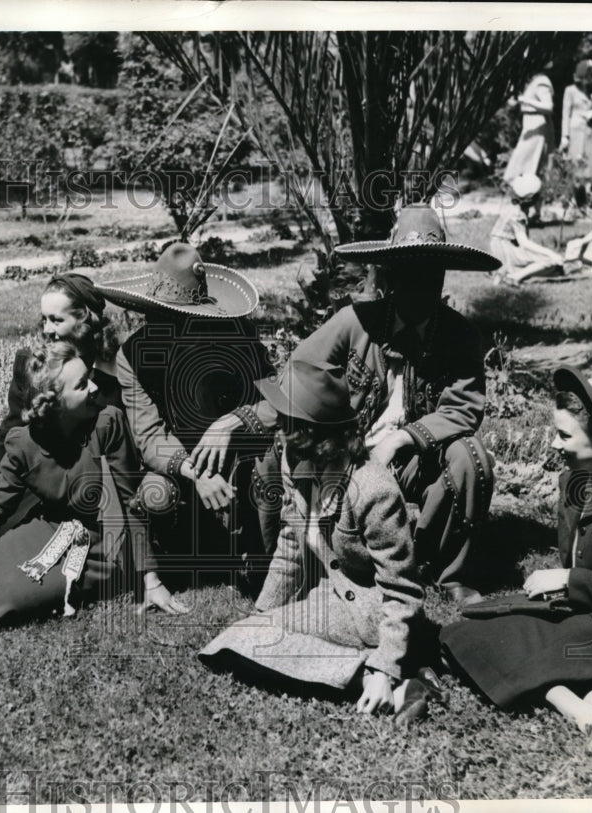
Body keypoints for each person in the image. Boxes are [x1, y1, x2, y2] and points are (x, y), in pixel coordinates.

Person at [193, 204, 499, 606]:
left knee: (471, 456)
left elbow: (463, 407)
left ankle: (441, 569)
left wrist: (406, 438)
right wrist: (238, 420)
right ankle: (283, 563)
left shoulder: (460, 335)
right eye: (409, 271)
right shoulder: (355, 321)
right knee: (274, 451)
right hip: (347, 451)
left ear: (442, 276)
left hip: (414, 459)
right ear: (390, 275)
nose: (419, 283)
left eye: (430, 272)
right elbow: (298, 376)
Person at [439, 366, 592, 752]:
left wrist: (570, 580)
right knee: (465, 632)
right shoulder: (572, 481)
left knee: (517, 649)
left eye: (565, 435)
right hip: (584, 611)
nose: (554, 445)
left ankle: (582, 712)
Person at [199, 359, 443, 725]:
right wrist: (263, 615)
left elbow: (403, 590)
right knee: (238, 640)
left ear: (314, 434)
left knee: (246, 643)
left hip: (374, 613)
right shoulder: (295, 462)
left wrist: (385, 665)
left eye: (286, 423)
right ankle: (400, 680)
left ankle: (386, 673)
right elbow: (291, 548)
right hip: (330, 602)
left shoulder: (373, 489)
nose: (278, 432)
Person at [96, 242, 275, 611]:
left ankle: (264, 560)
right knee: (153, 494)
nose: (167, 327)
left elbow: (277, 402)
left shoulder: (237, 337)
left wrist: (231, 423)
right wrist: (197, 472)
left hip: (239, 462)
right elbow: (148, 436)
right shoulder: (134, 355)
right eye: (157, 316)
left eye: (178, 318)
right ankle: (189, 553)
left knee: (272, 461)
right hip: (181, 471)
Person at [0, 341, 149, 624]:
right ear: (55, 403)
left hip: (106, 534)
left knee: (11, 597)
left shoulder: (108, 423)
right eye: (83, 385)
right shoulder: (24, 444)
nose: (95, 389)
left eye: (90, 379)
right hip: (52, 527)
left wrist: (149, 575)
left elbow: (127, 499)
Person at [0, 273, 122, 514]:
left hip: (94, 488)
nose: (48, 330)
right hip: (37, 484)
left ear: (84, 320)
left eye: (57, 320)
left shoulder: (109, 375)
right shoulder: (32, 367)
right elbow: (8, 439)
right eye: (44, 320)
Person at [490, 174, 565, 285]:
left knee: (552, 268)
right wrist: (550, 253)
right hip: (504, 248)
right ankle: (515, 276)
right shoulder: (518, 214)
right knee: (550, 261)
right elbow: (524, 243)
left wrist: (538, 211)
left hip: (499, 246)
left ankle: (504, 271)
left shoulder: (514, 207)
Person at [503, 64, 556, 186]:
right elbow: (514, 103)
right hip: (529, 125)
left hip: (538, 127)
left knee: (529, 169)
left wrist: (523, 100)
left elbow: (548, 106)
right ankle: (526, 201)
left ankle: (531, 200)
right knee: (523, 168)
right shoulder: (531, 82)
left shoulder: (541, 81)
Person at [561, 59, 592, 201]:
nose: (589, 80)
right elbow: (565, 114)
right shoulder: (570, 90)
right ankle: (572, 200)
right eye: (587, 76)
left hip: (588, 131)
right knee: (575, 167)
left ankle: (586, 199)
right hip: (575, 132)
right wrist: (564, 136)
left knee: (588, 166)